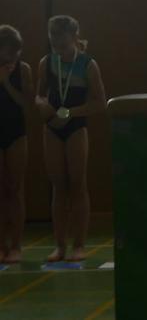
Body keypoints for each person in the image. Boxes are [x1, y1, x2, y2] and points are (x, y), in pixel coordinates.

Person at [34, 16, 106, 263]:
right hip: (52, 127)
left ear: (74, 36)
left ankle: (79, 245)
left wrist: (71, 113)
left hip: (75, 127)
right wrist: (42, 105)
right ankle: (60, 245)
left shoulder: (88, 64)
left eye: (61, 38)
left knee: (77, 184)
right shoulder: (46, 62)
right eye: (52, 38)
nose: (56, 43)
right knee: (58, 186)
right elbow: (39, 95)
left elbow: (100, 103)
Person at [0, 26, 31, 265]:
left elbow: (26, 103)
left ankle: (16, 245)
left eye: (17, 51)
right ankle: (2, 245)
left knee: (15, 189)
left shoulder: (23, 70)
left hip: (16, 133)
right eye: (10, 51)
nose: (14, 56)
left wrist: (7, 83)